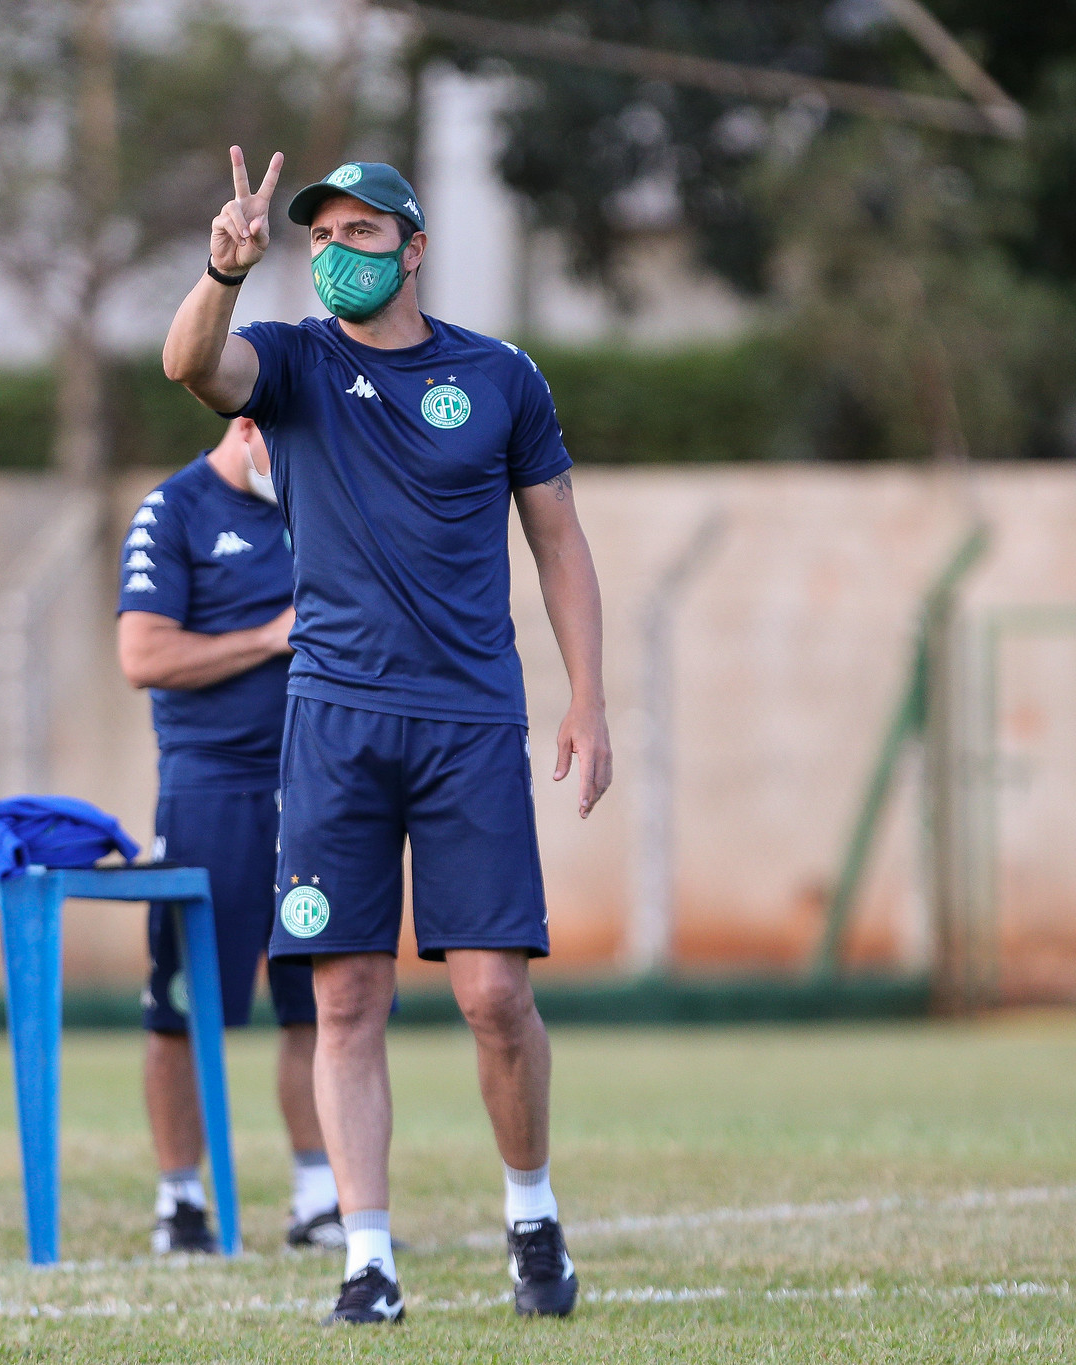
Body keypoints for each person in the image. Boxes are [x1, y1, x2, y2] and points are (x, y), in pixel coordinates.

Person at [163, 152, 612, 1324]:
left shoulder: (500, 376)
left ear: (414, 249)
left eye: (362, 234)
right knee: (343, 1001)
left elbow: (559, 543)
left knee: (492, 998)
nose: (336, 255)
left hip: (468, 725)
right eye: (322, 237)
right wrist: (223, 268)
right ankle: (367, 1258)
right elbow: (190, 365)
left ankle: (532, 1217)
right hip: (333, 724)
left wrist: (587, 698)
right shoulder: (297, 362)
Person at [116, 415, 344, 1255]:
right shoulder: (172, 510)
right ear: (246, 427)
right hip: (210, 789)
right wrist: (265, 636)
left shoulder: (318, 500)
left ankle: (319, 1196)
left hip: (321, 787)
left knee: (323, 997)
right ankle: (180, 1198)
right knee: (182, 1004)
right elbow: (142, 653)